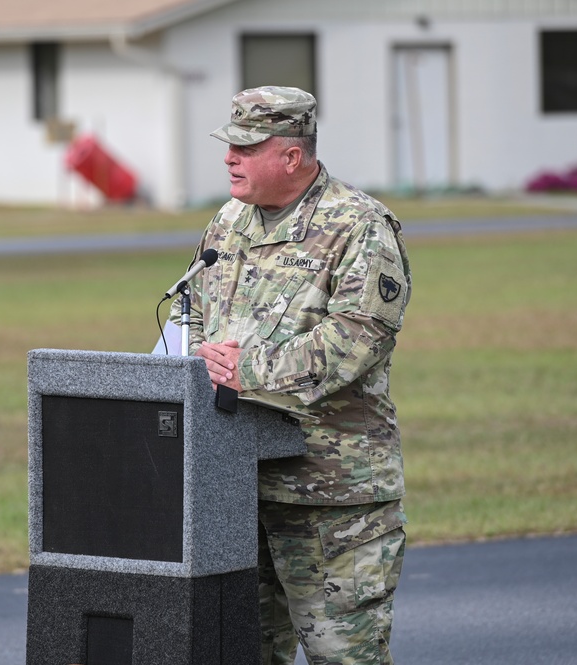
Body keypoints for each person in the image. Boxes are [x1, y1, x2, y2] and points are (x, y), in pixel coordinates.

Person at [169, 86, 412, 665]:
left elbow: (358, 338)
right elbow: (192, 311)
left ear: (291, 156)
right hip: (234, 488)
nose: (229, 157)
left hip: (331, 496)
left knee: (344, 657)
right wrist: (195, 356)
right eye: (228, 144)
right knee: (242, 653)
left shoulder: (359, 226)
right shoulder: (228, 223)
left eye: (245, 147)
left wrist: (245, 371)